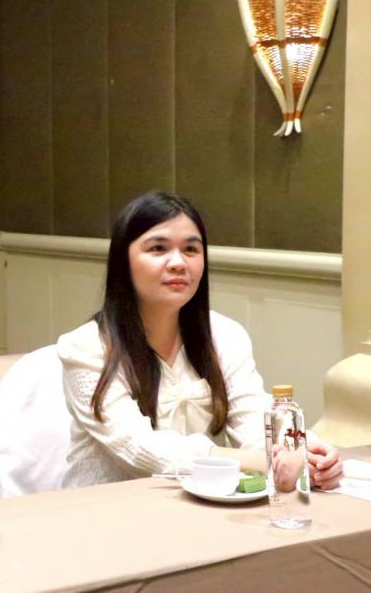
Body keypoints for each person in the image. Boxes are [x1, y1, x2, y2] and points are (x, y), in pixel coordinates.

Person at [57, 191, 343, 490]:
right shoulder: (85, 347)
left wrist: (302, 452)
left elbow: (253, 420)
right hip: (105, 507)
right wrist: (265, 461)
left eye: (191, 249)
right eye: (158, 248)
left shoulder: (225, 335)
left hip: (200, 502)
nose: (178, 263)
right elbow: (139, 447)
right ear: (122, 261)